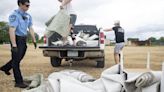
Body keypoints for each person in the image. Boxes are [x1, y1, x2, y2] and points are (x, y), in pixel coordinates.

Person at [0, 0, 37, 88]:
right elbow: (12, 30)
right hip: (16, 38)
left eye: (29, 5)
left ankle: (5, 68)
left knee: (19, 58)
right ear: (20, 4)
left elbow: (30, 28)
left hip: (23, 39)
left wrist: (34, 40)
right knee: (16, 61)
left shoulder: (28, 15)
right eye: (26, 5)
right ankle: (18, 82)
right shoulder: (14, 15)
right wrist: (14, 45)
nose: (28, 7)